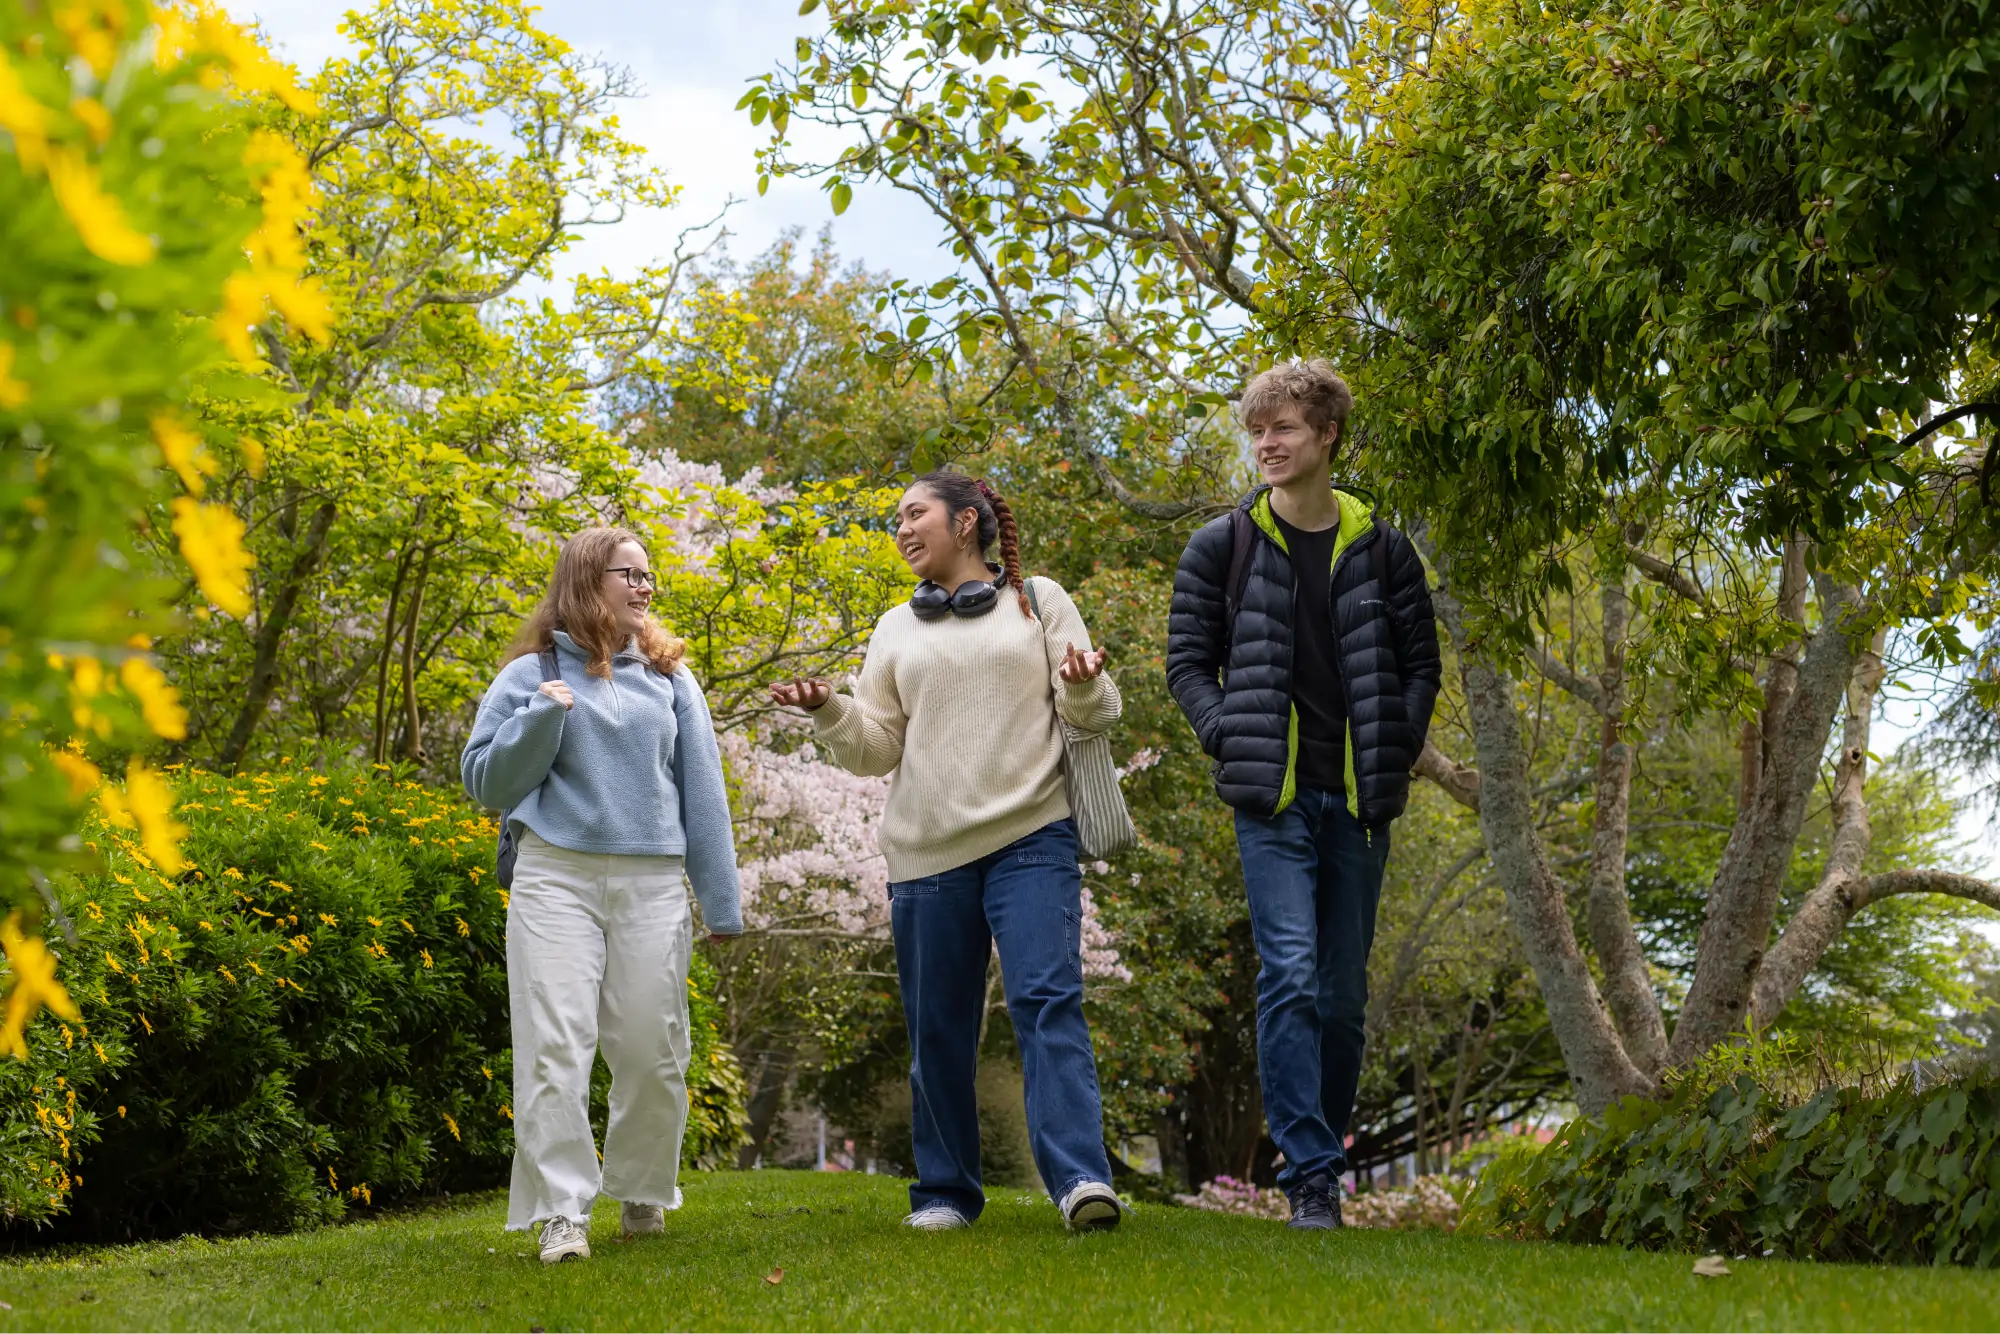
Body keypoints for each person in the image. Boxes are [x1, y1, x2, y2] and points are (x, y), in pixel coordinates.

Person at [769, 472, 1125, 1233]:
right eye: (896, 518)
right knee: (939, 1027)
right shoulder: (896, 626)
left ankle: (1081, 1181)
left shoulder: (1041, 601)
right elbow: (875, 751)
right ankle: (944, 1193)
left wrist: (1084, 682)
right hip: (927, 853)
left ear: (966, 522)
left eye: (914, 513)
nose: (901, 528)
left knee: (1047, 1003)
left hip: (1032, 834)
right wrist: (830, 708)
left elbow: (1094, 709)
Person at [1166, 360, 1441, 1230]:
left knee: (1342, 995)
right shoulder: (1224, 545)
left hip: (1358, 801)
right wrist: (1227, 733)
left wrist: (1394, 740)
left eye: (1283, 429)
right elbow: (1186, 665)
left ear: (1327, 435)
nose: (1267, 445)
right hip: (1271, 804)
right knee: (1287, 974)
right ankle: (1312, 1178)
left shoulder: (1385, 548)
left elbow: (1421, 665)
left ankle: (1319, 1147)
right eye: (1257, 432)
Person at [462, 526, 742, 1264]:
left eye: (650, 576)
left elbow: (703, 794)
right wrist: (541, 717)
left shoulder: (670, 677)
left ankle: (642, 1187)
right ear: (588, 579)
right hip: (556, 876)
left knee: (653, 1048)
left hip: (652, 880)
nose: (645, 587)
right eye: (630, 573)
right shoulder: (529, 675)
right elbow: (485, 784)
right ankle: (562, 1211)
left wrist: (721, 902)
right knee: (556, 1046)